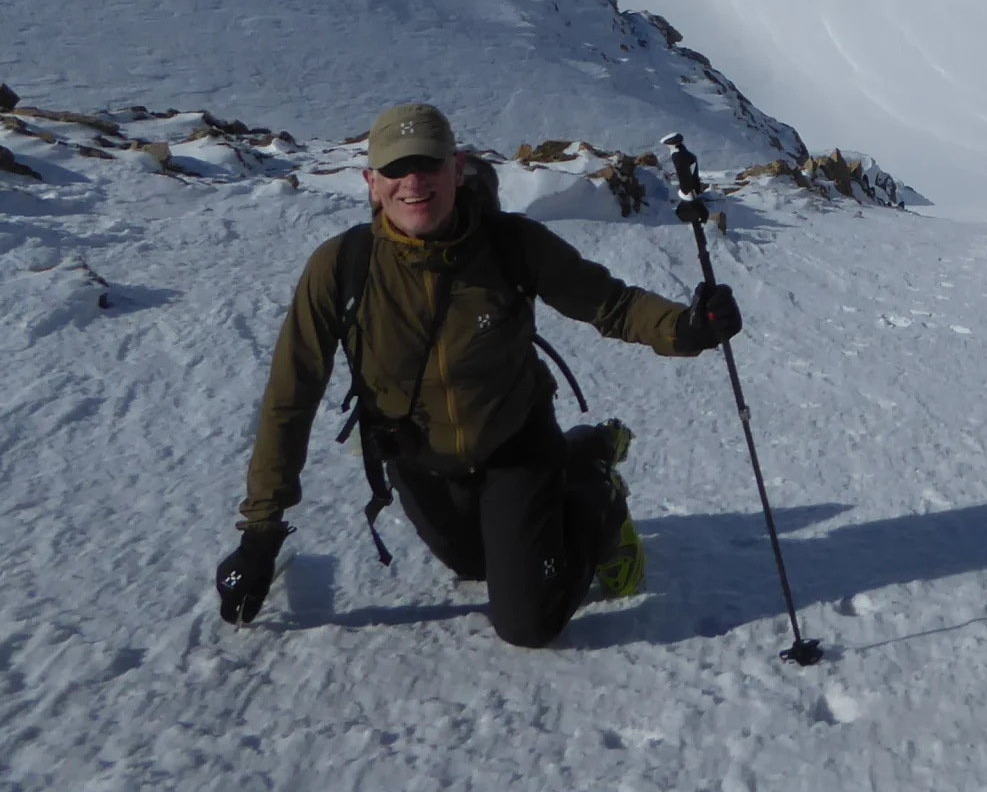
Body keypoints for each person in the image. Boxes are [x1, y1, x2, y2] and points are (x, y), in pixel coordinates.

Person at [213, 103, 742, 647]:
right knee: (472, 561)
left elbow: (613, 305)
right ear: (372, 183)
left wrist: (687, 328)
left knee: (528, 625)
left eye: (428, 165)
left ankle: (593, 481)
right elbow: (290, 394)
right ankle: (568, 466)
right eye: (396, 169)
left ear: (456, 169)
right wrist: (261, 532)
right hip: (418, 457)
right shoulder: (342, 267)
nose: (413, 182)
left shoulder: (511, 245)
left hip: (514, 442)